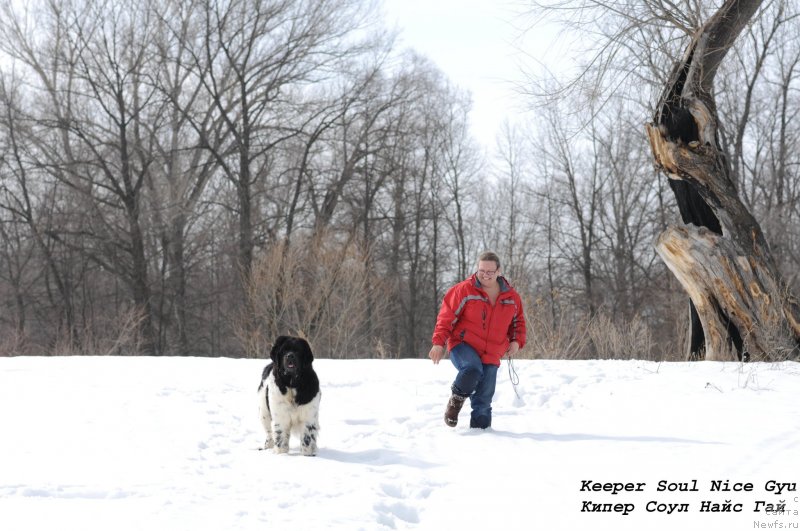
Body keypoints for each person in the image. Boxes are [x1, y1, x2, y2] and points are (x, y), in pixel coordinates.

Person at [428, 252, 526, 429]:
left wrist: (516, 341)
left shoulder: (512, 298)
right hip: (463, 345)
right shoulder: (463, 290)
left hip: (492, 351)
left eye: (490, 271)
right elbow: (446, 317)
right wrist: (438, 342)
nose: (485, 275)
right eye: (482, 270)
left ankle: (481, 436)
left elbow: (518, 323)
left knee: (483, 400)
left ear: (499, 271)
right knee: (472, 369)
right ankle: (455, 402)